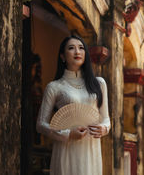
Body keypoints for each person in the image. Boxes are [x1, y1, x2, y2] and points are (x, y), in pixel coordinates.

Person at [36, 35, 110, 174]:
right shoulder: (55, 87)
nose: (77, 51)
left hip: (91, 148)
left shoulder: (99, 84)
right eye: (71, 48)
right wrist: (68, 134)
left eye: (81, 48)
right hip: (66, 149)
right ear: (63, 56)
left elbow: (106, 119)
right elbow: (40, 124)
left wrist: (104, 128)